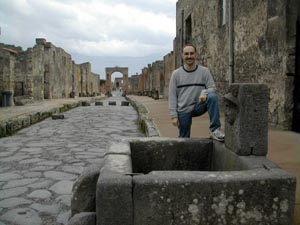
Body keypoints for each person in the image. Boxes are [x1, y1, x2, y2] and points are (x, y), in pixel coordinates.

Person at [168, 43, 225, 141]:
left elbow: (212, 88)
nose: (189, 56)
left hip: (199, 105)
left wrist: (204, 93)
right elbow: (172, 96)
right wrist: (174, 116)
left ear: (195, 55)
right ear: (182, 56)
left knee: (212, 97)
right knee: (184, 139)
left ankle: (215, 129)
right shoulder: (176, 74)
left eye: (191, 53)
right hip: (184, 109)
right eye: (186, 54)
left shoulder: (204, 71)